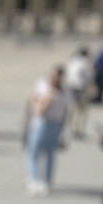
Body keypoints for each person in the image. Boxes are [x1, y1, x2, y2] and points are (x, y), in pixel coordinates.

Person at [25, 66, 70, 195]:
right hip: (56, 124)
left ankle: (35, 179)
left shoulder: (53, 92)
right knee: (49, 153)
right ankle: (46, 180)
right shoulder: (62, 92)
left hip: (44, 123)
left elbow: (39, 110)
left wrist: (37, 100)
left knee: (34, 152)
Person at [64, 47, 92, 139]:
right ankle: (78, 130)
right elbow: (88, 76)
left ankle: (70, 128)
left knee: (72, 110)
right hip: (81, 88)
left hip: (71, 87)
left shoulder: (72, 61)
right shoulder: (85, 62)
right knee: (82, 111)